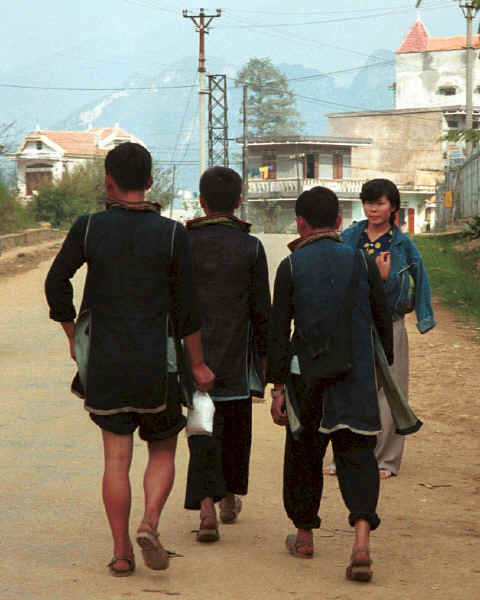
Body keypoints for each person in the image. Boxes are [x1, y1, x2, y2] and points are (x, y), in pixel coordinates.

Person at [45, 142, 214, 576]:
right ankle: (150, 522)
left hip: (106, 361)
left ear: (107, 181)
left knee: (116, 458)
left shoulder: (88, 228)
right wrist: (197, 364)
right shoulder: (173, 234)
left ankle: (121, 552)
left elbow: (56, 282)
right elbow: (188, 310)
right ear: (151, 182)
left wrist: (71, 332)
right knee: (162, 449)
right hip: (158, 365)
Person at [268, 186, 393, 582]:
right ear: (340, 221)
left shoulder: (291, 266)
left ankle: (304, 536)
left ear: (300, 224)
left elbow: (277, 332)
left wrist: (277, 387)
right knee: (357, 453)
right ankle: (360, 543)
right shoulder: (361, 261)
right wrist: (380, 366)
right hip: (354, 373)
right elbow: (381, 319)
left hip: (307, 377)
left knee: (304, 454)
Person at [184, 166, 270, 542]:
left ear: (201, 202)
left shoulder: (183, 242)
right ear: (239, 201)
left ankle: (205, 508)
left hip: (194, 355)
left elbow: (174, 302)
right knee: (235, 429)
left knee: (201, 427)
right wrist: (267, 364)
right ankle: (229, 497)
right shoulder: (251, 247)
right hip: (237, 357)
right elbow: (262, 311)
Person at [341, 179, 436, 479]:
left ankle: (386, 460)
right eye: (368, 202)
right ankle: (346, 457)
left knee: (391, 390)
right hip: (354, 324)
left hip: (390, 323)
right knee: (350, 389)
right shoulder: (349, 237)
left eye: (379, 203)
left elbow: (420, 281)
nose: (373, 208)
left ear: (393, 206)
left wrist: (424, 317)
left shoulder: (403, 244)